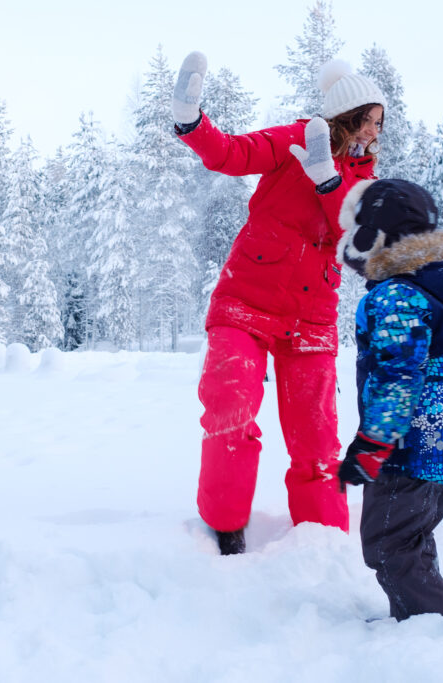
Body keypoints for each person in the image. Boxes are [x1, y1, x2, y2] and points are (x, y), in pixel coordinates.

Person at [172, 52, 386, 554]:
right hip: (245, 301)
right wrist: (191, 121)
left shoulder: (368, 182)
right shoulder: (295, 139)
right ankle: (224, 530)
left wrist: (328, 181)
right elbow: (231, 153)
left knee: (317, 443)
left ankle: (324, 546)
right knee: (231, 406)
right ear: (350, 114)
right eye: (372, 121)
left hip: (311, 320)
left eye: (380, 123)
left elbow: (358, 237)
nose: (377, 132)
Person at [335, 178, 443, 621]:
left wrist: (373, 444)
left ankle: (431, 626)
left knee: (388, 545)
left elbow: (398, 375)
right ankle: (416, 616)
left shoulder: (396, 296)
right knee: (409, 540)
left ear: (374, 236)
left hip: (409, 452)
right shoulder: (429, 289)